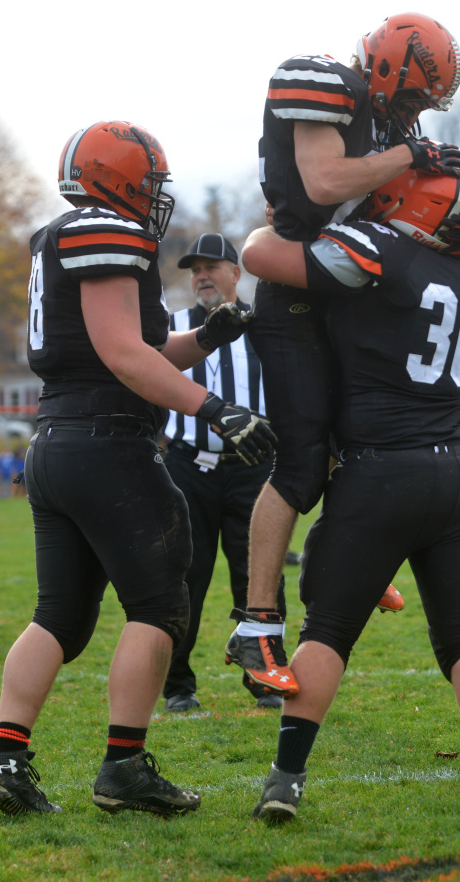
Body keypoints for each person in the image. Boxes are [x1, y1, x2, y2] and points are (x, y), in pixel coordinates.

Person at [0, 121, 276, 819]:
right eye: (151, 182)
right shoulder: (108, 229)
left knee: (61, 615)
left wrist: (205, 338)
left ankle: (7, 757)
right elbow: (122, 355)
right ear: (124, 180)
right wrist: (215, 408)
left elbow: (133, 348)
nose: (155, 197)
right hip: (107, 446)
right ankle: (125, 764)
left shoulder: (64, 235)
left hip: (58, 441)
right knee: (162, 606)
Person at [242, 159, 460, 820]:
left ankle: (285, 778)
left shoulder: (382, 248)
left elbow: (261, 255)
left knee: (330, 629)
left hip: (383, 466)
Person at [227, 12, 460, 697]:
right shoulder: (324, 82)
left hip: (347, 288)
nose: (414, 115)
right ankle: (256, 623)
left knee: (366, 441)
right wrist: (408, 158)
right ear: (385, 67)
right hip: (298, 285)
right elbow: (321, 185)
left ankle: (345, 564)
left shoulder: (394, 128)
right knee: (302, 462)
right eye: (411, 96)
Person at [161, 232, 285, 713]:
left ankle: (265, 676)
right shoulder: (174, 328)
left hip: (254, 470)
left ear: (237, 272)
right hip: (188, 466)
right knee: (184, 576)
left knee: (260, 574)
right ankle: (178, 685)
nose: (201, 276)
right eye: (194, 269)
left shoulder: (264, 328)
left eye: (212, 266)